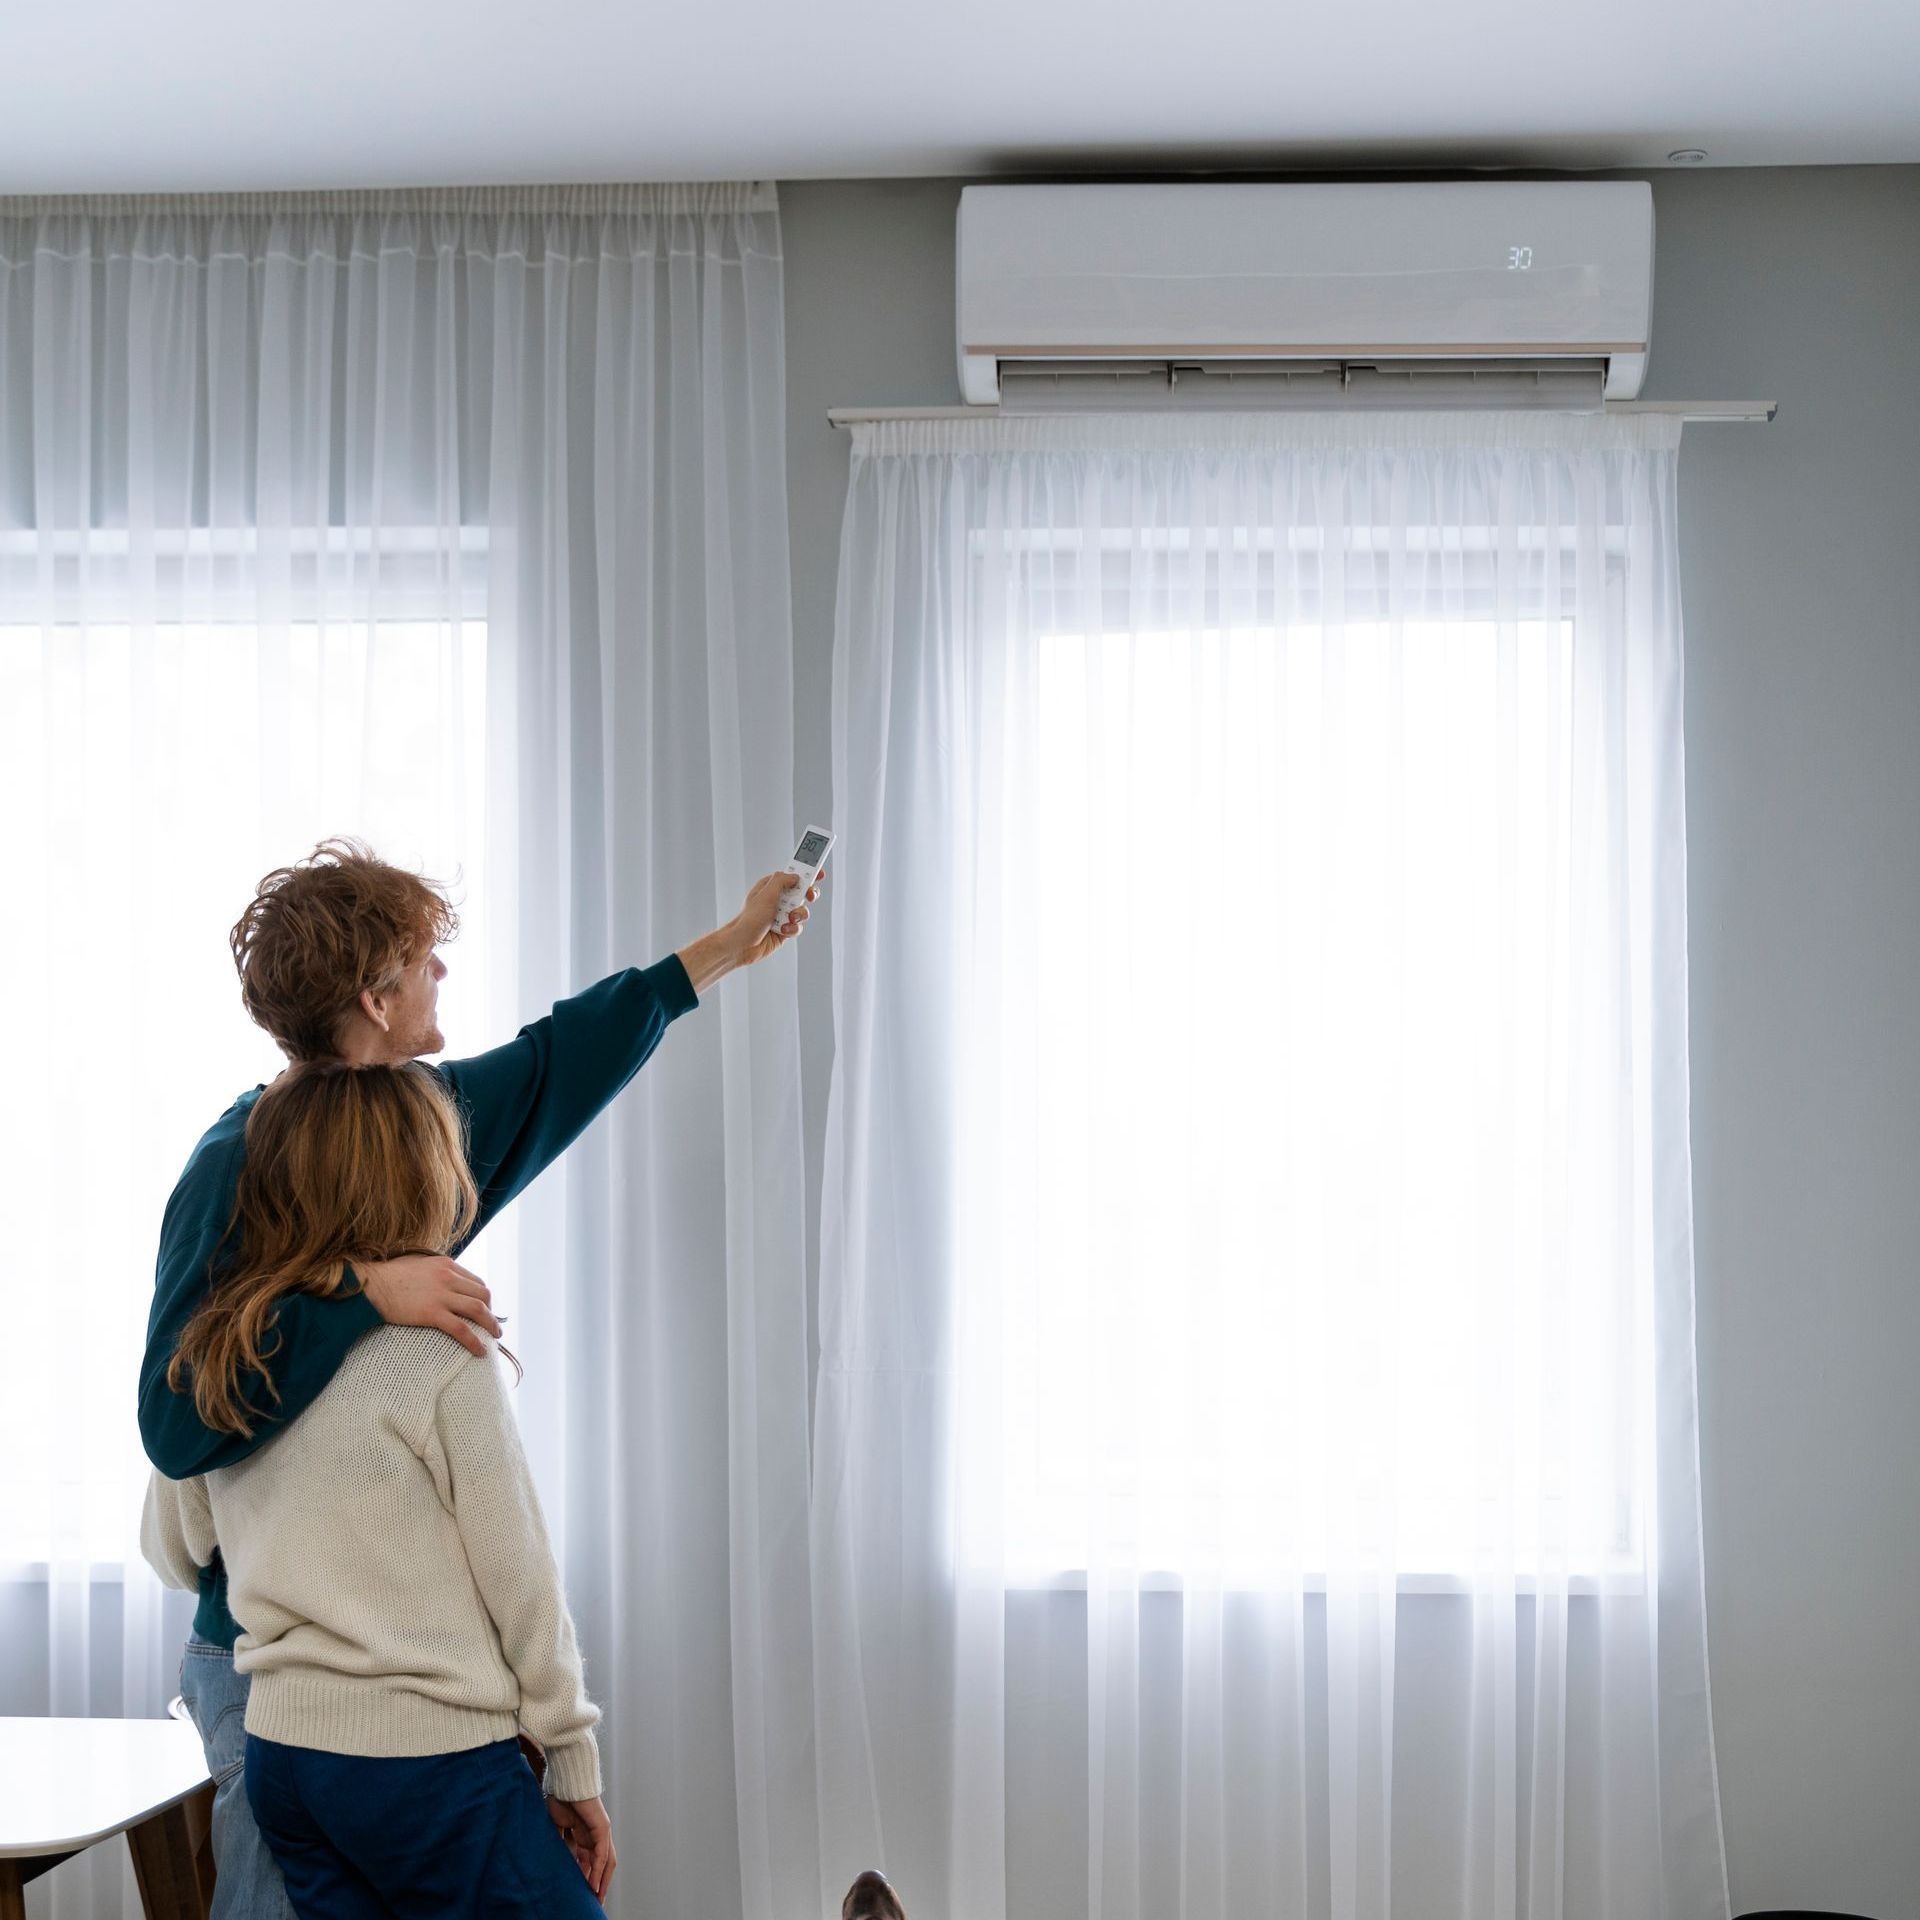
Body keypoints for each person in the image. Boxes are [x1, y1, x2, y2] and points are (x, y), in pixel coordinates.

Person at [139, 837, 819, 1918]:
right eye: (423, 959)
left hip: (345, 1694)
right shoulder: (238, 1161)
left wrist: (732, 946)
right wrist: (362, 1288)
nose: (442, 973)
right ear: (374, 995)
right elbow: (178, 1424)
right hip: (266, 1669)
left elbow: (565, 1056)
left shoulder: (419, 1117)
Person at [144, 1058, 613, 1914]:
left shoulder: (233, 1355)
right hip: (425, 1760)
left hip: (287, 1757)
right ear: (423, 1173)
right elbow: (521, 1580)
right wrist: (571, 1755)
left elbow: (177, 1549)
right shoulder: (438, 1351)